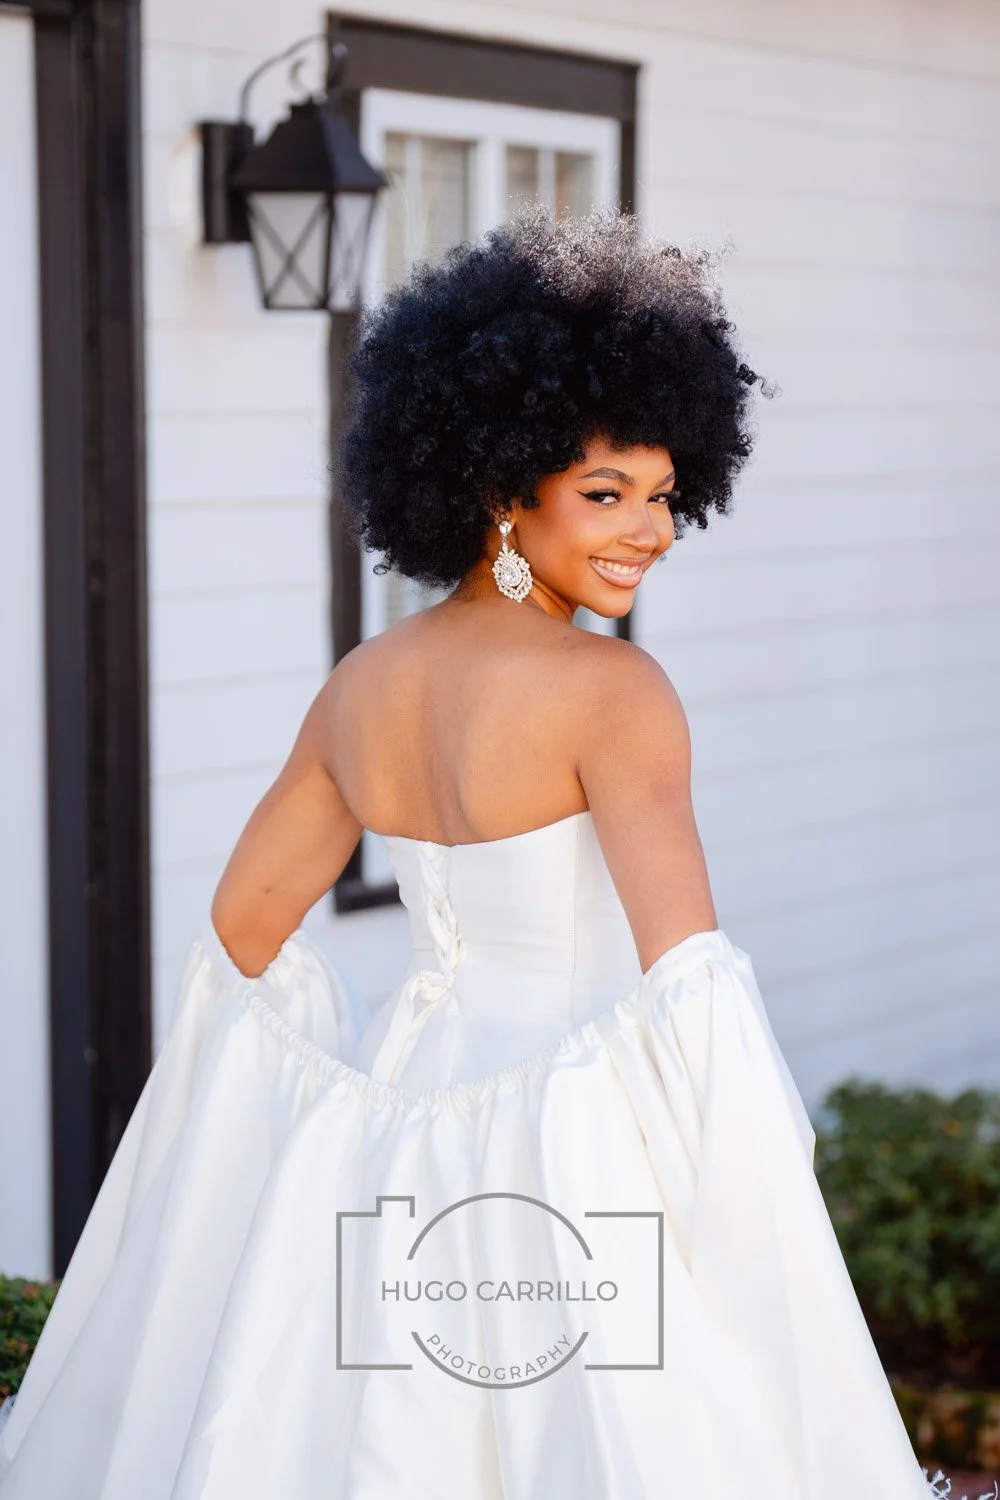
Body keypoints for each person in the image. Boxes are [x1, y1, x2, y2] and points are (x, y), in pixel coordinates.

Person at [0, 208, 963, 1499]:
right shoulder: (614, 694)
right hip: (579, 1143)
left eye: (666, 495)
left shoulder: (362, 687)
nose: (650, 530)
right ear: (503, 489)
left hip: (394, 1129)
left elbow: (240, 937)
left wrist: (338, 1104)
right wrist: (752, 1213)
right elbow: (689, 983)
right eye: (605, 493)